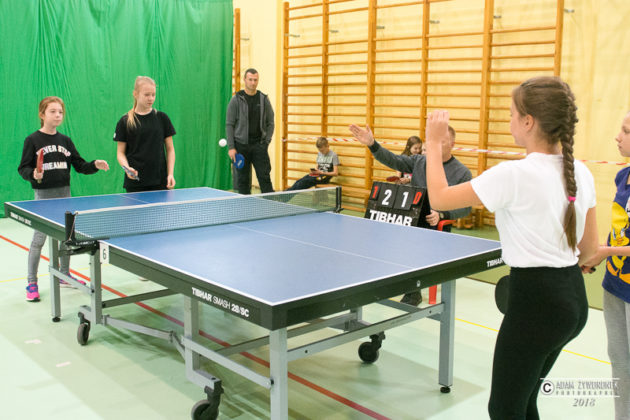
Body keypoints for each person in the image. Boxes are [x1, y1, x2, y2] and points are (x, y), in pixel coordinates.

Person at [423, 76, 599, 419]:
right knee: (524, 403)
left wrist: (432, 142)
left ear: (528, 122)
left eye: (511, 115)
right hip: (574, 301)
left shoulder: (513, 175)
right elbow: (589, 249)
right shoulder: (582, 172)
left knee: (504, 409)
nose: (509, 121)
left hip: (536, 303)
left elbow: (440, 199)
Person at [349, 123, 471, 305]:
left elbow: (466, 207)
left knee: (412, 243)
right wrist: (372, 144)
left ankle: (413, 291)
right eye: (434, 141)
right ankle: (384, 280)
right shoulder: (419, 161)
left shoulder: (462, 173)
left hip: (436, 225)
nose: (436, 145)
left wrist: (442, 214)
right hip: (411, 220)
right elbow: (394, 160)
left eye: (442, 142)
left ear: (452, 145)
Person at [18, 96, 109, 302]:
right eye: (53, 111)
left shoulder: (65, 140)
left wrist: (94, 164)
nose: (58, 115)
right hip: (43, 197)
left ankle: (64, 274)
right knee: (38, 240)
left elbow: (80, 165)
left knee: (66, 237)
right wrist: (33, 174)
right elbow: (23, 168)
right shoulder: (32, 140)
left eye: (60, 112)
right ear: (42, 114)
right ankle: (31, 282)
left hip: (65, 195)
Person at [581, 110, 630, 419]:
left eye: (626, 131)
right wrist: (597, 252)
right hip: (614, 284)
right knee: (620, 361)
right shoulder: (623, 176)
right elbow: (620, 228)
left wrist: (605, 251)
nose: (618, 136)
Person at [114, 76, 176, 192]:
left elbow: (170, 149)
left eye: (153, 95)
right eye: (146, 95)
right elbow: (120, 153)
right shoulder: (125, 121)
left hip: (160, 183)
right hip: (135, 184)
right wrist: (127, 169)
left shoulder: (162, 118)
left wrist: (170, 174)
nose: (151, 98)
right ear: (135, 94)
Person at [226, 68, 275, 194]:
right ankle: (245, 205)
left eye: (255, 80)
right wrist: (231, 147)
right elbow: (229, 125)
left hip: (259, 146)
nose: (253, 83)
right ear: (245, 80)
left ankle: (270, 204)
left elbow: (271, 122)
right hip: (241, 146)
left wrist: (266, 141)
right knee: (242, 181)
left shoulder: (263, 99)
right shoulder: (236, 99)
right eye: (250, 80)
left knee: (265, 178)